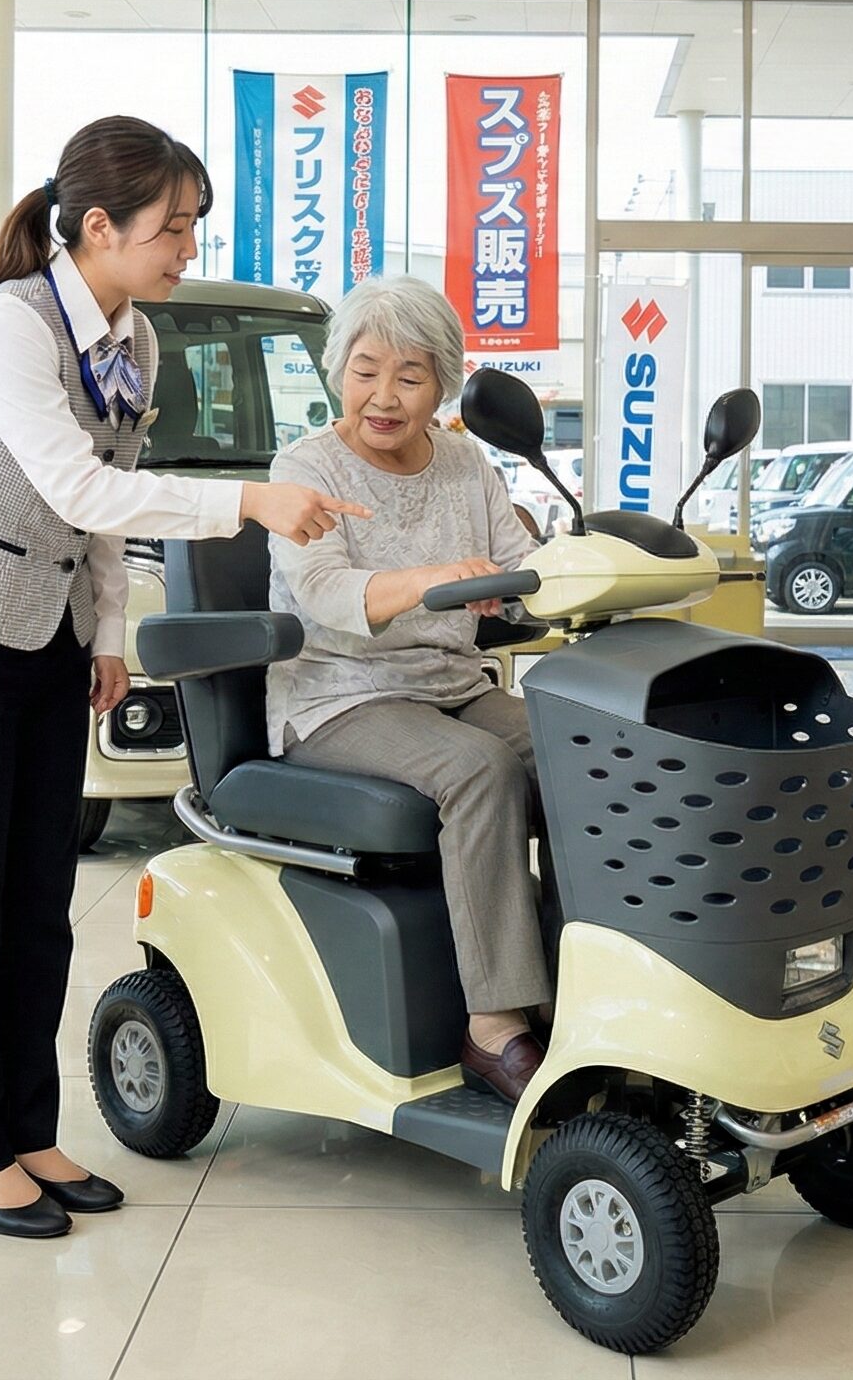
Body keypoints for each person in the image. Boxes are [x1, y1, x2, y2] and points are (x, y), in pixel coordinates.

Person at [0, 117, 365, 1240]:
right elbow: (77, 488)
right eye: (172, 227)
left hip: (44, 632)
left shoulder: (132, 339)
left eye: (191, 225)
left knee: (39, 900)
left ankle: (28, 1128)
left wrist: (102, 635)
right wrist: (245, 500)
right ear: (99, 226)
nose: (184, 247)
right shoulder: (6, 327)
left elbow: (105, 499)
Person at [263, 275, 552, 1103]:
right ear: (336, 371)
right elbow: (326, 595)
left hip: (451, 681)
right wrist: (436, 580)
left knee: (583, 755)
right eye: (365, 370)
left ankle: (577, 989)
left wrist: (543, 570)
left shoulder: (465, 461)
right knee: (479, 771)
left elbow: (513, 564)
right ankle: (494, 1027)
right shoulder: (306, 467)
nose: (383, 397)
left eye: (409, 377)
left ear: (443, 385)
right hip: (340, 695)